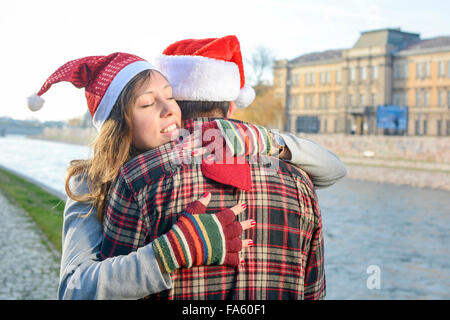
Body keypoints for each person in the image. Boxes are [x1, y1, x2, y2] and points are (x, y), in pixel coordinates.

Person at [100, 36, 342, 299]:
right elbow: (313, 293)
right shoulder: (300, 183)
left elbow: (113, 290)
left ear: (175, 103)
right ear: (230, 106)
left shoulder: (138, 177)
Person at [27, 52, 255, 299]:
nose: (169, 109)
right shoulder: (89, 183)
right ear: (118, 124)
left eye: (170, 96)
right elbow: (74, 289)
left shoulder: (193, 163)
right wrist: (172, 252)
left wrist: (269, 142)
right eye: (147, 104)